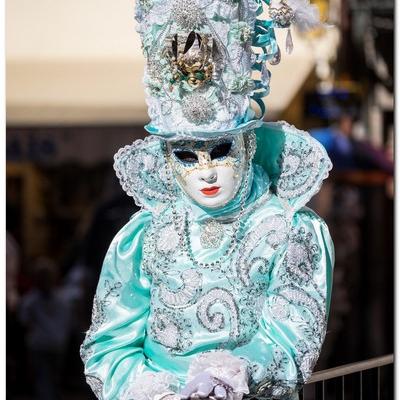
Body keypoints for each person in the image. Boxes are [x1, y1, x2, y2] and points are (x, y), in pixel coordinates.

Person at [81, 1, 334, 399]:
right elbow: (108, 346)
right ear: (166, 157)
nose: (207, 171)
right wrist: (154, 392)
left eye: (220, 150)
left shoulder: (290, 230)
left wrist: (228, 379)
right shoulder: (145, 234)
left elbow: (292, 335)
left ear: (248, 143)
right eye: (186, 154)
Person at [19, 258, 72, 400]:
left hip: (41, 344)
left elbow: (25, 323)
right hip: (56, 343)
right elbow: (68, 323)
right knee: (52, 379)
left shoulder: (29, 301)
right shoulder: (64, 300)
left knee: (44, 379)